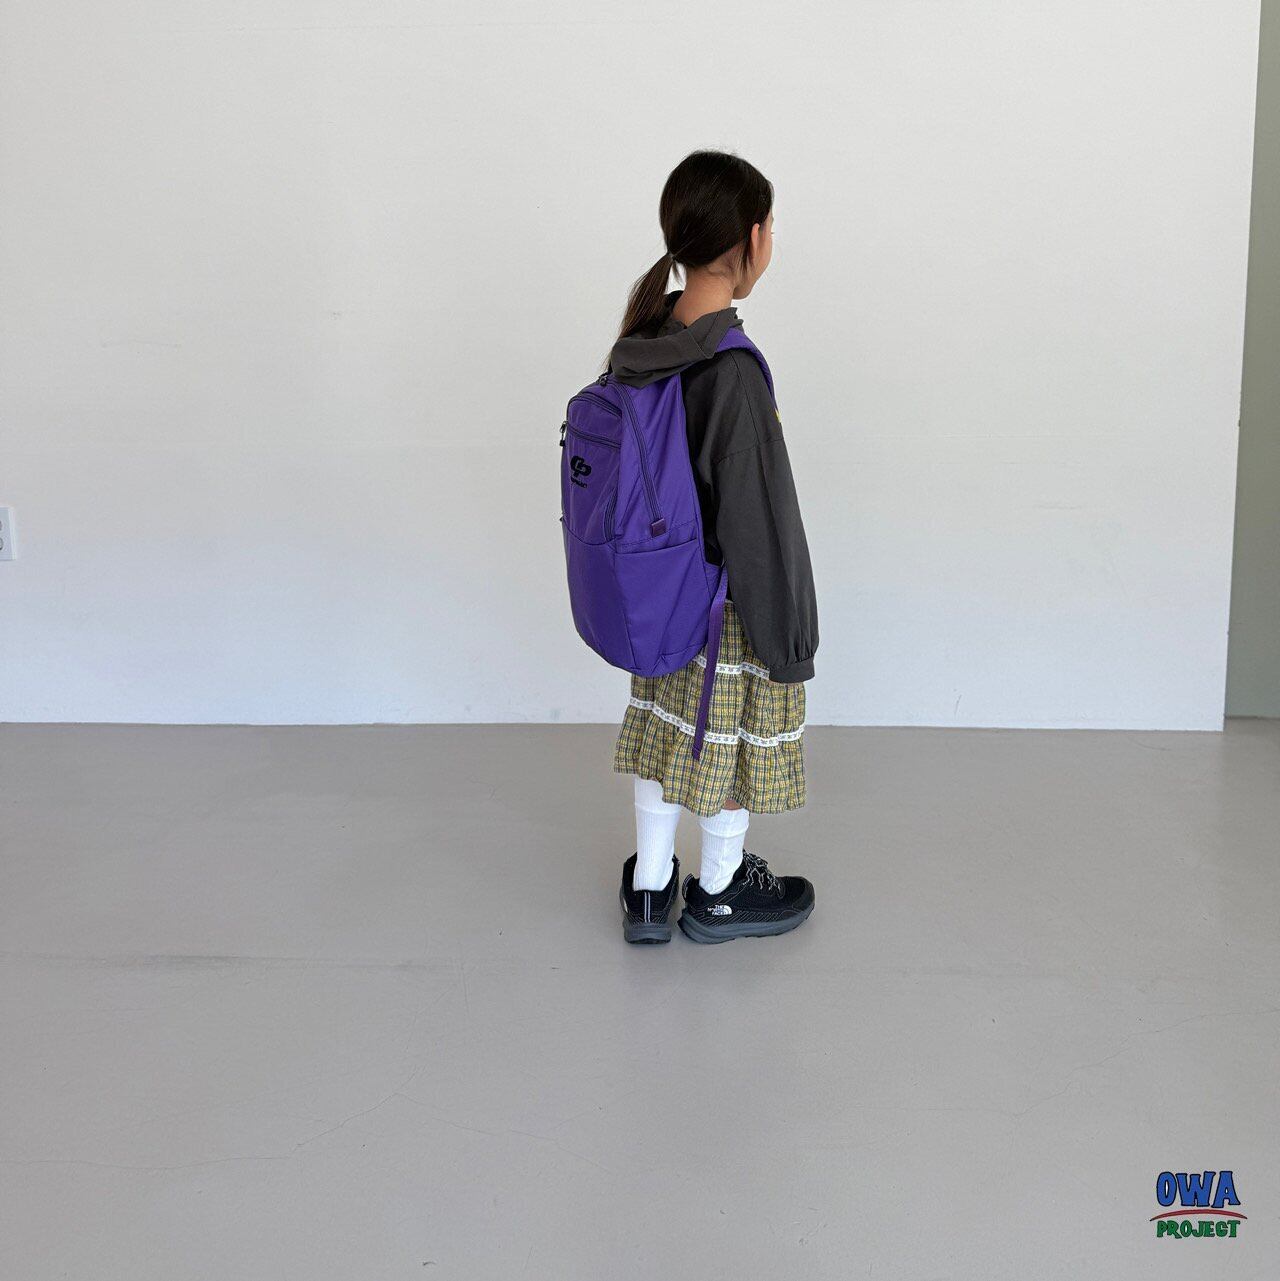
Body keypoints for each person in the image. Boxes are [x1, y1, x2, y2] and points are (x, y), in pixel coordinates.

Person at [608, 150, 819, 945]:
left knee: (666, 735)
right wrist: (788, 641)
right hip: (723, 611)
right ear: (754, 239)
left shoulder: (643, 342)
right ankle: (722, 889)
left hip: (659, 600)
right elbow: (760, 521)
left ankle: (651, 887)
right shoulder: (730, 369)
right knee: (720, 747)